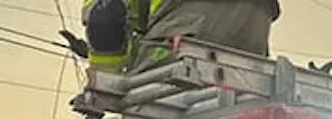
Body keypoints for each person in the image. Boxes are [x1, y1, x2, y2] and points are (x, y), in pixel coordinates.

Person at [71, 0, 282, 74]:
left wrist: (103, 79)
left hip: (187, 31)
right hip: (255, 37)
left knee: (144, 116)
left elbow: (104, 17)